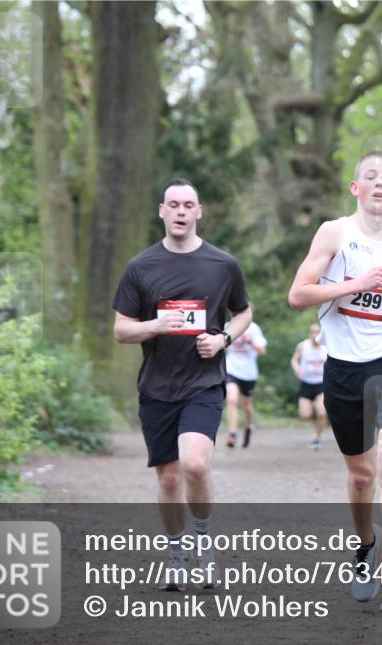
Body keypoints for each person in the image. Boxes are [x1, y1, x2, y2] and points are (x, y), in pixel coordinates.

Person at [288, 150, 382, 616]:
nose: (380, 183)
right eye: (372, 176)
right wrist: (354, 283)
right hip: (344, 368)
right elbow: (297, 294)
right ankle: (365, 546)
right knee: (362, 474)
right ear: (356, 187)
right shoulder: (334, 233)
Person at [112, 177, 252, 590]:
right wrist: (155, 324)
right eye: (172, 205)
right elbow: (121, 330)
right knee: (169, 477)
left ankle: (204, 544)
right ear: (161, 211)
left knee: (194, 463)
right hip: (156, 386)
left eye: (187, 205)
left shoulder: (222, 264)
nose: (180, 212)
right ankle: (176, 552)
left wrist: (223, 338)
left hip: (203, 384)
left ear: (198, 212)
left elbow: (244, 312)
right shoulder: (141, 267)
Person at [224, 320, 267, 448]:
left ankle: (248, 429)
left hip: (248, 372)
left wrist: (248, 341)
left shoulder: (254, 328)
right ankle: (232, 434)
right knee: (231, 400)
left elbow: (262, 351)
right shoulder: (227, 326)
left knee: (247, 405)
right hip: (231, 369)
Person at [290, 323, 328, 450]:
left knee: (322, 412)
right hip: (306, 384)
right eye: (312, 332)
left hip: (321, 384)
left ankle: (317, 438)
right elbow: (294, 359)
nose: (315, 335)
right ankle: (314, 408)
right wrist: (297, 368)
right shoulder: (302, 346)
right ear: (309, 333)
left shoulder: (327, 346)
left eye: (317, 332)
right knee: (304, 416)